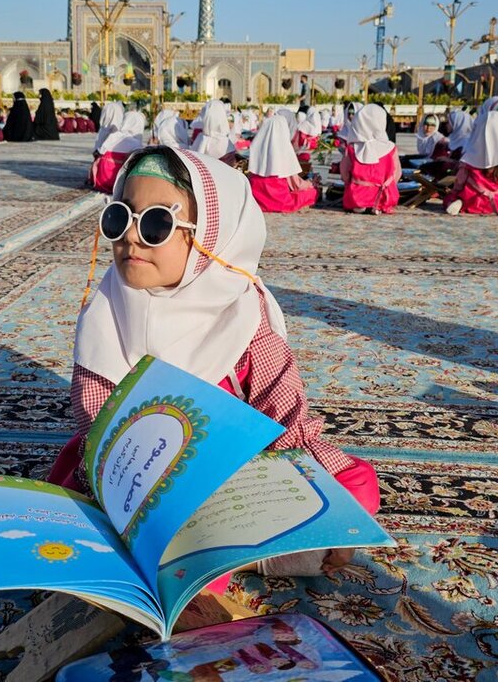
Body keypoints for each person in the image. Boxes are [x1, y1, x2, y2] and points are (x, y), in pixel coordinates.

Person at [47, 145, 379, 576]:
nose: (130, 236)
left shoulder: (240, 312)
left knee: (354, 491)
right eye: (119, 216)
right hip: (136, 474)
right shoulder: (106, 312)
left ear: (209, 235)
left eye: (156, 224)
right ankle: (237, 557)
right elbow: (100, 430)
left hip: (237, 467)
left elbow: (284, 417)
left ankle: (224, 551)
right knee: (95, 524)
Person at [444, 97, 498, 215]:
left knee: (453, 196)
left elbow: (459, 183)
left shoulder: (470, 157)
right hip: (497, 201)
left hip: (471, 198)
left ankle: (460, 201)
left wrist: (455, 193)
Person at [246, 115, 319, 213]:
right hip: (279, 200)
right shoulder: (284, 149)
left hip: (256, 199)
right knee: (313, 193)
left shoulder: (257, 147)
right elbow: (296, 184)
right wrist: (310, 184)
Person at [339, 104, 400, 214]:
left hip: (357, 195)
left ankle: (361, 205)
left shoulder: (352, 148)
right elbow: (396, 174)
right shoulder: (391, 148)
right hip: (384, 195)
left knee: (352, 194)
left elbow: (345, 175)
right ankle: (377, 205)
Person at [88, 101, 142, 192]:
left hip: (104, 178)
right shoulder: (137, 144)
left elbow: (99, 152)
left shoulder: (114, 135)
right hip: (123, 183)